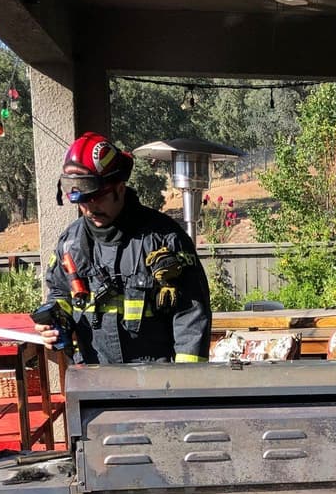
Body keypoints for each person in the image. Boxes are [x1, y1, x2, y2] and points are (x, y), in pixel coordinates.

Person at [34, 132, 211, 364]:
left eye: (97, 198)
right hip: (95, 380)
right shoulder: (71, 243)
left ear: (119, 187)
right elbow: (60, 293)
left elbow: (191, 317)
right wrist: (56, 321)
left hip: (155, 384)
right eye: (83, 200)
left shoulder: (163, 239)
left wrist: (185, 386)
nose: (89, 208)